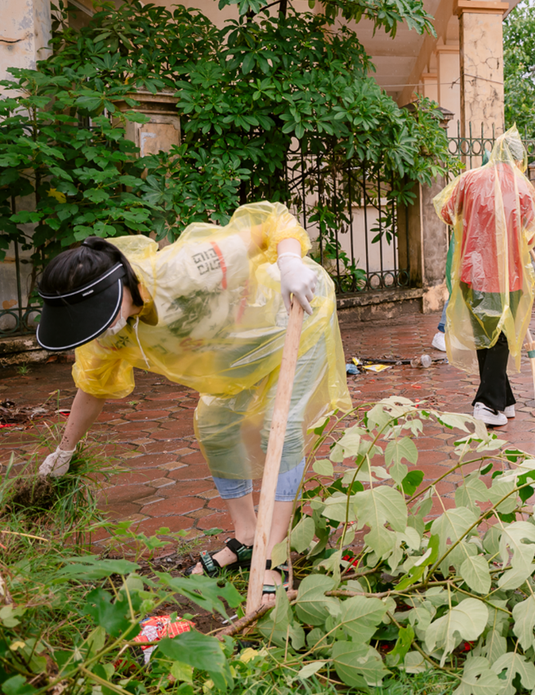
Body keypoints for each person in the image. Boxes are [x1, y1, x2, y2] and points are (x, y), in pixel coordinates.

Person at [35, 202, 350, 602]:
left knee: (278, 426)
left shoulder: (188, 269)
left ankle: (274, 556)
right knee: (215, 427)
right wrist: (65, 450)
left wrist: (290, 264)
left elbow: (273, 222)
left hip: (293, 314)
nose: (96, 330)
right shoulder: (109, 334)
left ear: (120, 289)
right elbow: (93, 386)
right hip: (234, 353)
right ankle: (248, 536)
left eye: (98, 317)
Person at [435, 128, 535, 427]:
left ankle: (503, 398)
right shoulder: (522, 186)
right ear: (519, 158)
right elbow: (531, 229)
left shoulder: (469, 179)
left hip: (473, 271)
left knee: (486, 335)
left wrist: (472, 220)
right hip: (510, 275)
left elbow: (447, 213)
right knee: (501, 338)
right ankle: (488, 403)